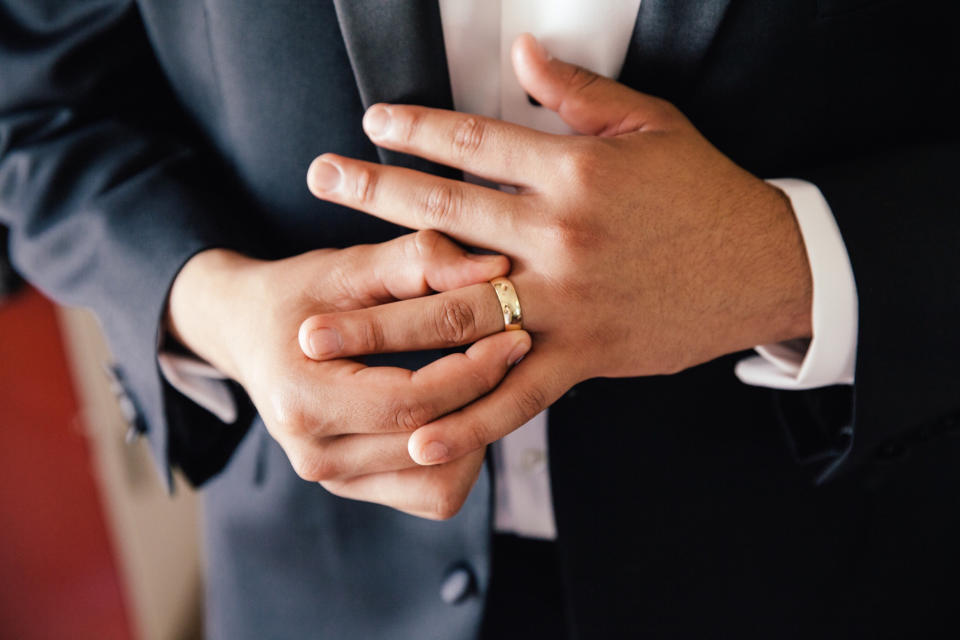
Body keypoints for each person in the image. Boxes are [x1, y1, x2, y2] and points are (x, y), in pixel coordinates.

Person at [1, 1, 957, 638]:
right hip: (320, 587)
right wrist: (213, 306)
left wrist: (790, 264)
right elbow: (38, 103)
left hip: (845, 567)